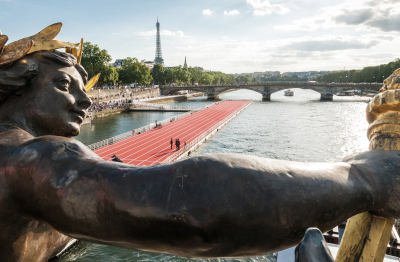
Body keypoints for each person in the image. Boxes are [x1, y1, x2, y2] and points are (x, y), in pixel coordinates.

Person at [1, 25, 400, 262]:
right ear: (18, 84)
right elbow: (193, 208)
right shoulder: (31, 158)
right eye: (65, 85)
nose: (86, 100)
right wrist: (366, 177)